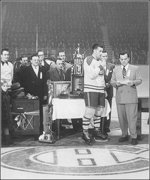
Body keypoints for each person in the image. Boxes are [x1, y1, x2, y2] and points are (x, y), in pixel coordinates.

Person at [111, 50, 142, 145]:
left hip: (131, 97)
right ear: (119, 59)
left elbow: (140, 80)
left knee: (132, 118)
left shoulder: (135, 68)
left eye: (125, 59)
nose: (123, 61)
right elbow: (112, 81)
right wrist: (116, 83)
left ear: (128, 59)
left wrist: (132, 82)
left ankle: (134, 136)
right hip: (120, 97)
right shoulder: (116, 69)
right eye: (121, 59)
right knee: (122, 118)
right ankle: (124, 135)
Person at [82, 43, 108, 145]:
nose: (101, 53)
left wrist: (104, 88)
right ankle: (85, 132)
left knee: (99, 111)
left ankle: (96, 130)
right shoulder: (88, 59)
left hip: (100, 90)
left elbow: (102, 77)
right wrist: (101, 66)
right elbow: (92, 75)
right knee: (89, 111)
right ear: (94, 50)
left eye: (102, 51)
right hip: (91, 89)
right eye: (100, 51)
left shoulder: (101, 61)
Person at [21, 53, 48, 135]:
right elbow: (24, 83)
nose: (36, 61)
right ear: (31, 61)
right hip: (31, 95)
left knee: (41, 113)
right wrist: (27, 94)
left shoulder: (43, 69)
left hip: (40, 94)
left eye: (38, 60)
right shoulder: (26, 70)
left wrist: (45, 94)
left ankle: (40, 130)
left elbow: (45, 83)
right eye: (34, 60)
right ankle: (32, 131)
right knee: (32, 113)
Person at [100, 51, 115, 135]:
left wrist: (108, 84)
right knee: (100, 109)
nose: (104, 57)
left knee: (109, 109)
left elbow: (113, 77)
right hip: (100, 90)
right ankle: (99, 126)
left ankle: (106, 127)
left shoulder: (111, 66)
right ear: (100, 56)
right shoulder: (97, 65)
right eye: (103, 56)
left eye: (106, 56)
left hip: (109, 91)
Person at [1, 80, 13, 146]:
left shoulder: (7, 94)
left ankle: (7, 142)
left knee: (6, 128)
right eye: (3, 86)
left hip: (7, 113)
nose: (5, 87)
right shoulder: (2, 95)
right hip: (2, 114)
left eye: (6, 86)